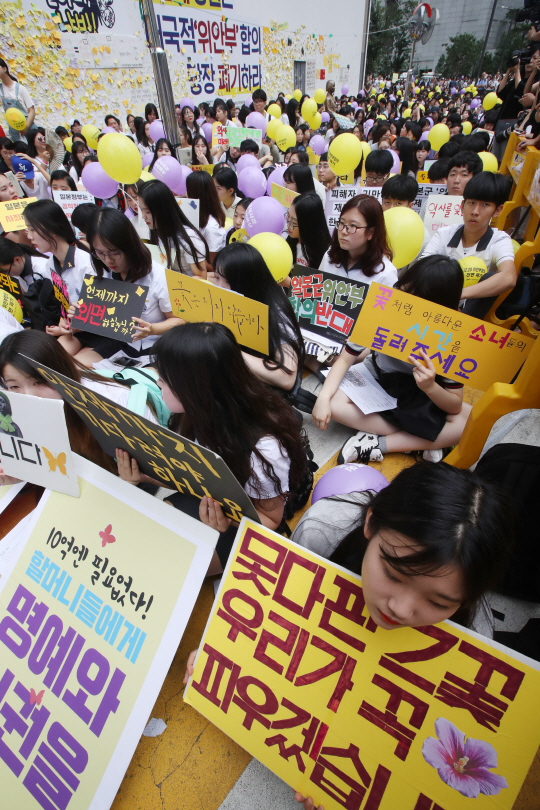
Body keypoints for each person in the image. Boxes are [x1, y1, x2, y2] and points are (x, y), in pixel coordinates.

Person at [116, 322, 307, 572]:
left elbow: (270, 519)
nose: (157, 382)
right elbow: (192, 477)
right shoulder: (192, 413)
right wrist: (149, 476)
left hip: (240, 521)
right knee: (138, 543)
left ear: (196, 389)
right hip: (207, 499)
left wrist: (227, 521)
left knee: (164, 570)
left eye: (164, 379)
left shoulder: (264, 449)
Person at [290, 460, 514, 632]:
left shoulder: (475, 637)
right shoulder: (318, 534)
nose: (400, 610)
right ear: (371, 523)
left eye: (438, 603)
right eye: (393, 575)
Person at [313, 256, 472, 464]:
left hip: (421, 394)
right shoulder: (383, 310)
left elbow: (454, 406)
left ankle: (379, 444)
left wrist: (430, 386)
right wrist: (323, 398)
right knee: (333, 404)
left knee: (469, 420)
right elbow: (344, 360)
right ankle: (422, 441)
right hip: (378, 377)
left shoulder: (454, 337)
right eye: (403, 292)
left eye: (416, 301)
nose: (404, 303)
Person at [0, 330, 157, 479]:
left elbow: (156, 464)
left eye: (38, 382)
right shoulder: (12, 408)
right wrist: (19, 472)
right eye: (14, 386)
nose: (29, 396)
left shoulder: (115, 404)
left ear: (60, 371)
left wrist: (132, 479)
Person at [60, 207, 180, 365]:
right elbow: (102, 318)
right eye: (100, 253)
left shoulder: (157, 275)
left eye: (114, 253)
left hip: (155, 344)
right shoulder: (101, 272)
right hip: (119, 341)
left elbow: (178, 320)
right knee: (73, 369)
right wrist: (80, 316)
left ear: (129, 245)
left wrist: (151, 329)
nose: (108, 261)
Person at [211, 243, 304, 392]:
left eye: (227, 281)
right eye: (216, 277)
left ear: (246, 282)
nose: (219, 286)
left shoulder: (276, 312)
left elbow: (287, 376)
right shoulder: (221, 302)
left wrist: (225, 349)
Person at [422, 172, 516, 318]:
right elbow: (421, 270)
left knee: (490, 276)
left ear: (497, 210)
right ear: (462, 205)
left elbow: (508, 277)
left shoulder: (499, 239)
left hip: (471, 315)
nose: (475, 212)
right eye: (471, 203)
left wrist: (458, 294)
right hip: (435, 306)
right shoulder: (444, 234)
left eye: (485, 205)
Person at [23, 199, 94, 308]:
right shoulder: (50, 265)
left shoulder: (86, 263)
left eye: (32, 229)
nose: (29, 237)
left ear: (52, 228)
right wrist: (63, 321)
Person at [320, 194, 398, 288]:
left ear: (371, 232)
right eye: (342, 223)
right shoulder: (329, 255)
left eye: (353, 226)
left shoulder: (386, 274)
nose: (344, 231)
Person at [138, 179, 209, 277]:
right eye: (141, 210)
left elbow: (201, 277)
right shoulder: (155, 231)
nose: (143, 216)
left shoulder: (189, 238)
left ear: (163, 210)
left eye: (148, 212)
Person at [185, 170, 226, 259]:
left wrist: (188, 254)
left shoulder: (211, 228)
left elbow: (213, 266)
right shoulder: (194, 216)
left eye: (188, 190)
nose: (185, 194)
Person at [286, 192, 331, 269]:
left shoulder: (325, 254)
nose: (288, 225)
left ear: (308, 224)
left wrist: (288, 281)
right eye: (288, 217)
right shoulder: (287, 242)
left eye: (294, 222)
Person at [0, 58, 35, 143]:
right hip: (14, 130)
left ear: (4, 68)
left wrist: (26, 128)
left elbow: (32, 110)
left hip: (28, 128)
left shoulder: (20, 88)